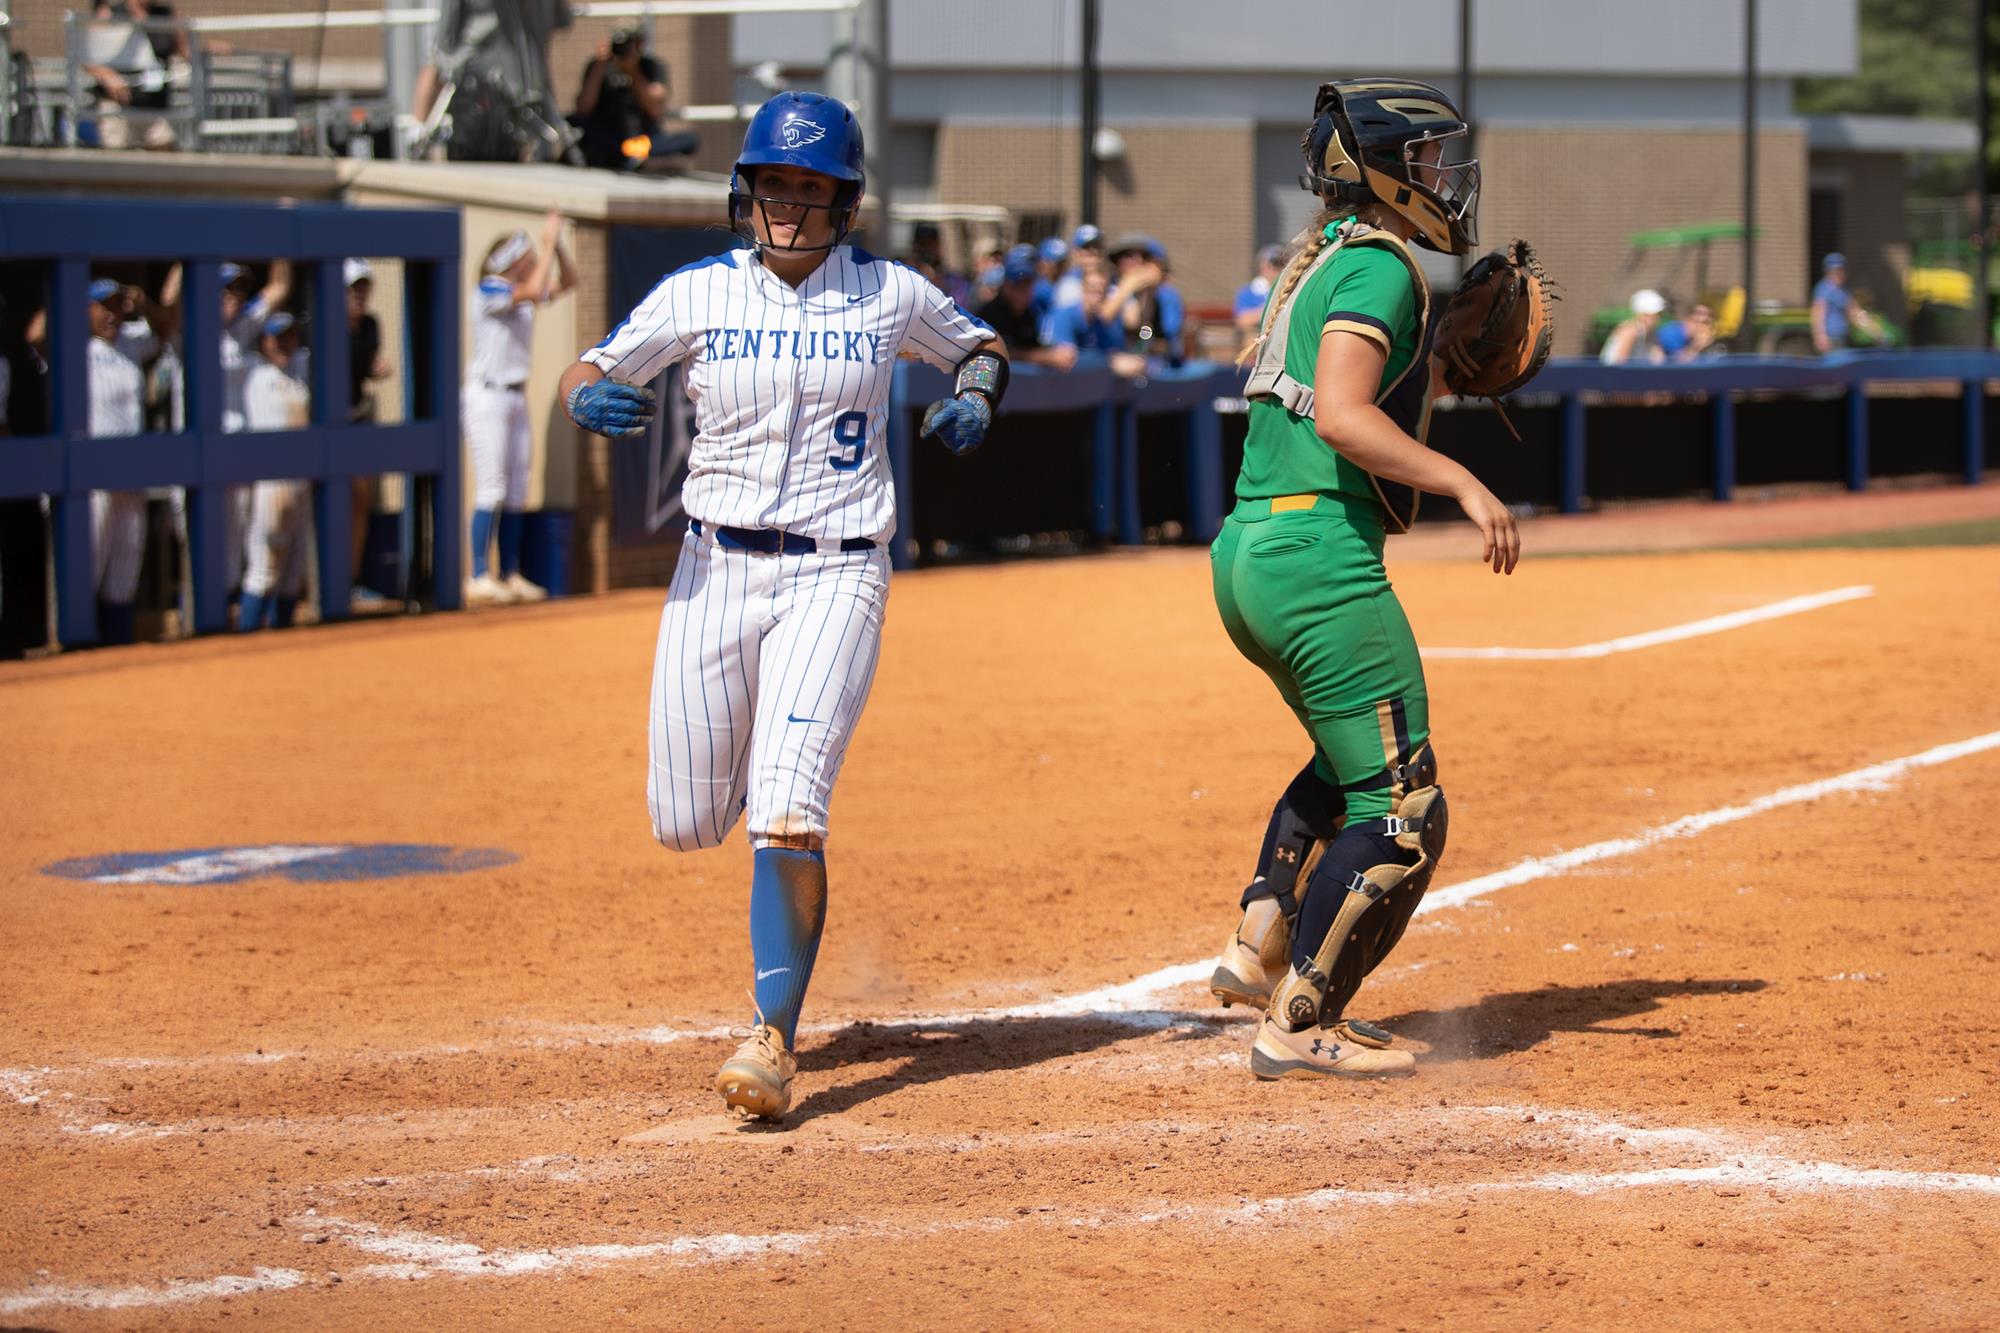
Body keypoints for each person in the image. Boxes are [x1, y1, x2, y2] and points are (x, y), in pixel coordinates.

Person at [555, 90, 1009, 1122]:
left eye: (810, 187)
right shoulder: (696, 295)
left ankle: (771, 1037)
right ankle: (764, 893)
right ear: (743, 192)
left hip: (837, 569)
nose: (789, 205)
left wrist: (975, 392)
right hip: (712, 571)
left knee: (788, 806)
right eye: (772, 185)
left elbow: (979, 343)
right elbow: (594, 361)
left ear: (844, 201)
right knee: (682, 819)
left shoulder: (889, 293)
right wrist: (585, 391)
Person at [1208, 78, 1518, 1080]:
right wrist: (1463, 480)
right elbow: (1342, 415)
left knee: (1348, 767)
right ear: (1379, 171)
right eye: (1424, 158)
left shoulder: (1329, 261)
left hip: (1253, 552)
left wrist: (1425, 369)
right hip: (1316, 565)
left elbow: (1322, 403)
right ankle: (1300, 1018)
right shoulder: (1382, 264)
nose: (1440, 175)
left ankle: (1260, 929)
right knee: (1403, 805)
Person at [465, 211, 575, 605]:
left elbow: (570, 282)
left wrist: (557, 245)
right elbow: (530, 289)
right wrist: (545, 245)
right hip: (487, 395)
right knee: (492, 486)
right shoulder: (490, 289)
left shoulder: (523, 291)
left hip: (514, 395)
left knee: (515, 488)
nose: (531, 260)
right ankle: (479, 574)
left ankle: (509, 573)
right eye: (524, 255)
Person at [86, 276, 173, 644]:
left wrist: (143, 305)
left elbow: (169, 327)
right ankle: (80, 650)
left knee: (123, 570)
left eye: (116, 305)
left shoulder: (131, 341)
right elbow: (36, 336)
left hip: (132, 471)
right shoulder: (75, 345)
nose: (112, 314)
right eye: (103, 306)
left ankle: (117, 652)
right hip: (91, 478)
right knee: (87, 569)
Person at [237, 313, 312, 631]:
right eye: (277, 337)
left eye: (290, 337)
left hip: (300, 481)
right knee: (264, 569)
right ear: (264, 341)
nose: (284, 344)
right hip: (270, 483)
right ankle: (248, 636)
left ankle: (284, 643)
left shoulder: (299, 374)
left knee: (293, 573)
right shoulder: (254, 372)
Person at [570, 26, 698, 172]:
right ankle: (637, 160)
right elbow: (583, 109)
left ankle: (629, 158)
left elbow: (655, 110)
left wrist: (633, 71)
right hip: (609, 137)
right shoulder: (598, 66)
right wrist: (599, 67)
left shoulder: (651, 66)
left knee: (689, 139)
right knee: (572, 122)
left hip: (643, 139)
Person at [345, 259, 392, 604]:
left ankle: (352, 578)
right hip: (324, 425)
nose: (360, 294)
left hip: (357, 418)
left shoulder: (371, 326)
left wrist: (375, 371)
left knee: (361, 498)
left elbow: (365, 366)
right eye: (353, 288)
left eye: (364, 287)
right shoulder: (323, 324)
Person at [80, 0, 176, 150]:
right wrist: (107, 76)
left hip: (152, 104)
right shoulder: (110, 12)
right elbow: (86, 56)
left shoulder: (163, 14)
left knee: (165, 152)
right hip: (119, 106)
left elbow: (183, 49)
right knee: (118, 161)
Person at [977, 245, 1075, 370]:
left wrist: (1058, 351)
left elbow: (1032, 345)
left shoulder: (1029, 313)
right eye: (1018, 285)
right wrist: (1047, 357)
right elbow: (998, 351)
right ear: (1006, 286)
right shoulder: (991, 314)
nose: (1024, 291)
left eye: (1028, 284)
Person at [1046, 267, 1147, 377]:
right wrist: (1110, 363)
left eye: (1101, 291)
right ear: (1083, 289)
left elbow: (1114, 352)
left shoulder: (1101, 324)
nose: (1096, 296)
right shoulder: (1065, 315)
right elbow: (1064, 358)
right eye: (1092, 289)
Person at [1103, 233, 1185, 366]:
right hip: (1110, 359)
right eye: (1129, 256)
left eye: (1143, 257)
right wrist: (1129, 285)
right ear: (1117, 261)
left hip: (1149, 361)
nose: (1137, 262)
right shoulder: (1109, 288)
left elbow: (1149, 332)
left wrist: (1148, 292)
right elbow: (1127, 321)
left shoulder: (1161, 294)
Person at [1811, 253, 1884, 353]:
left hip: (1843, 337)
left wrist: (1875, 332)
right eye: (1837, 271)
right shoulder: (1823, 289)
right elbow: (1818, 314)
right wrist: (1820, 336)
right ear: (1829, 271)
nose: (1841, 274)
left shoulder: (1844, 290)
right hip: (1831, 338)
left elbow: (1855, 313)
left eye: (1842, 270)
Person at [1233, 243, 1286, 350]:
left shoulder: (1289, 289)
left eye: (1281, 264)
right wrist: (1272, 310)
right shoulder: (1249, 291)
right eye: (1273, 263)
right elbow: (1243, 320)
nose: (1276, 269)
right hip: (1257, 342)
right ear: (1262, 265)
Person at [1599, 288, 1666, 365]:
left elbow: (1658, 361)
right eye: (1656, 314)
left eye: (1660, 314)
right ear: (1642, 315)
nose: (1659, 317)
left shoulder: (1652, 334)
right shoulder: (1630, 331)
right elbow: (1619, 365)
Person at [1051, 223, 1104, 311]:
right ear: (1076, 253)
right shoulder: (1068, 285)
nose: (1093, 251)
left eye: (1096, 247)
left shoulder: (1111, 280)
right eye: (1086, 248)